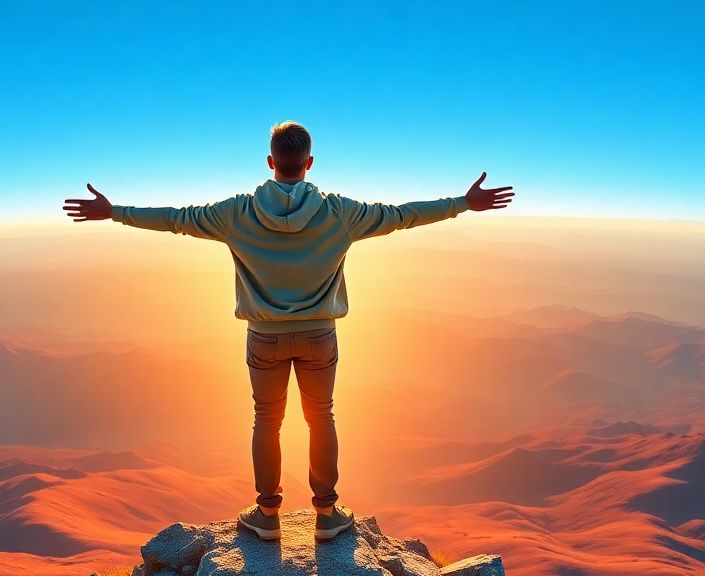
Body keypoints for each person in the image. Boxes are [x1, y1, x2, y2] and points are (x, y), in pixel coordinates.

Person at [63, 122, 514, 542]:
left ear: (270, 161)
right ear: (309, 163)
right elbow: (401, 215)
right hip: (320, 337)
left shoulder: (234, 213)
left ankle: (267, 516)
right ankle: (327, 515)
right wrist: (462, 204)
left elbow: (177, 218)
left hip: (264, 338)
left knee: (266, 420)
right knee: (322, 417)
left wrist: (115, 211)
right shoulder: (340, 213)